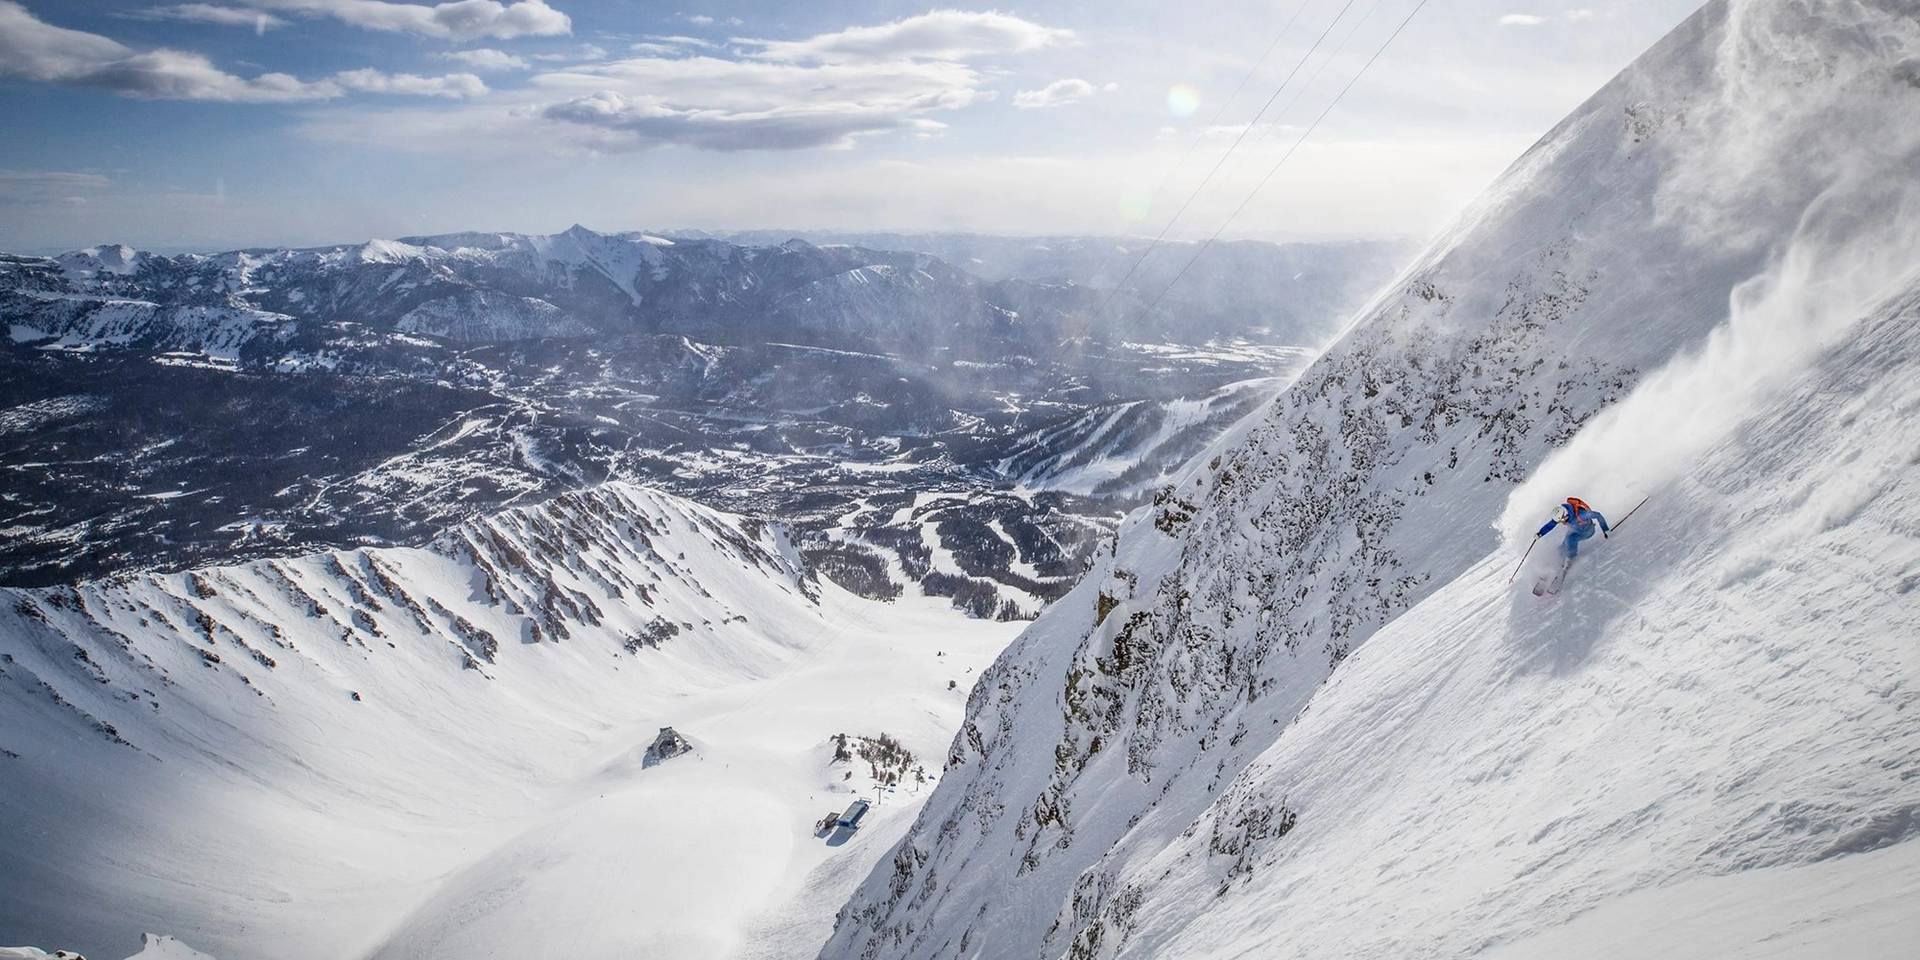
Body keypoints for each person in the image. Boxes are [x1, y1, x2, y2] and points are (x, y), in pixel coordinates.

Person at [1535, 497, 1610, 559]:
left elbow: (1597, 515)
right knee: (1563, 546)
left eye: (1562, 520)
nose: (1562, 522)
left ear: (1565, 515)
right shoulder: (1561, 514)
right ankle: (1558, 560)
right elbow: (1550, 525)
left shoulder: (1581, 515)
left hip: (1588, 531)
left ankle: (1571, 558)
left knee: (1571, 539)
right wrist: (1540, 533)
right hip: (1575, 530)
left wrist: (1605, 530)